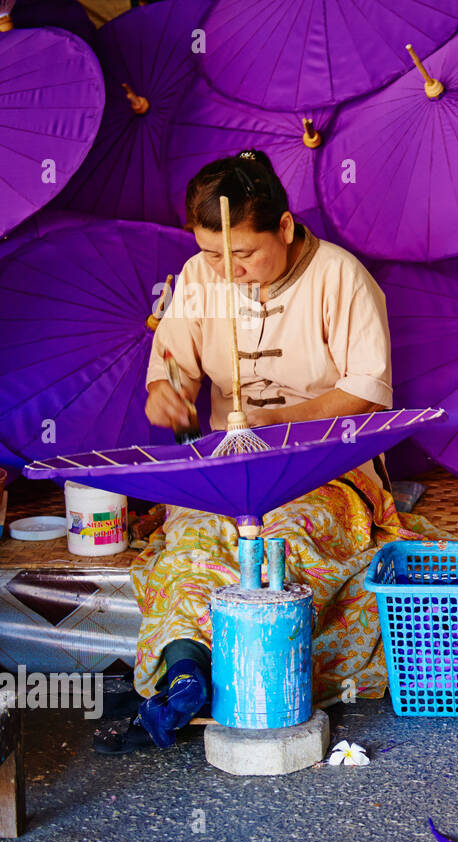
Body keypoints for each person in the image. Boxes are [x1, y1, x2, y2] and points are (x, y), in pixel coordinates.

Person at [96, 150, 432, 753]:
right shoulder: (199, 280)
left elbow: (364, 391)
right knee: (195, 539)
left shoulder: (341, 276)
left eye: (243, 254)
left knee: (282, 538)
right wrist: (165, 397)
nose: (226, 270)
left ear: (283, 226)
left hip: (328, 464)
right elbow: (170, 373)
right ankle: (185, 676)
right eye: (212, 254)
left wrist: (277, 420)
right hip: (230, 463)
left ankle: (255, 679)